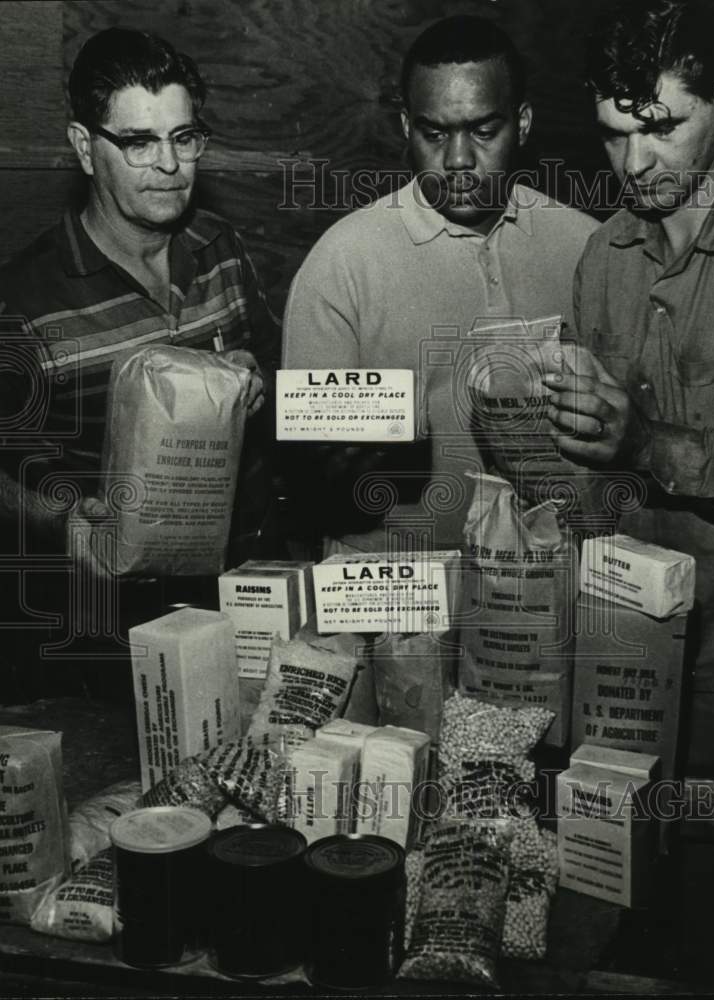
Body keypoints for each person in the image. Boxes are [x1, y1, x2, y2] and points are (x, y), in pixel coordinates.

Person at [545, 0, 714, 925]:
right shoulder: (606, 254)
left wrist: (646, 444)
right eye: (611, 136)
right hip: (623, 656)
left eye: (660, 130)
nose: (634, 166)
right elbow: (589, 464)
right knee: (624, 907)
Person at [0, 27, 278, 699]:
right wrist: (61, 520)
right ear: (82, 148)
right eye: (138, 142)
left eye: (184, 138)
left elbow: (275, 394)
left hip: (231, 613)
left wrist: (255, 388)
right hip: (98, 642)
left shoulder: (221, 250)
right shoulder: (25, 300)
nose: (169, 165)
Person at [282, 14, 599, 554]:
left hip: (553, 592)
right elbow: (307, 477)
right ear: (406, 126)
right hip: (397, 603)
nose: (457, 160)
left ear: (522, 124)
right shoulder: (342, 263)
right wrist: (324, 465)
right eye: (434, 133)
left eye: (482, 131)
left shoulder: (587, 248)